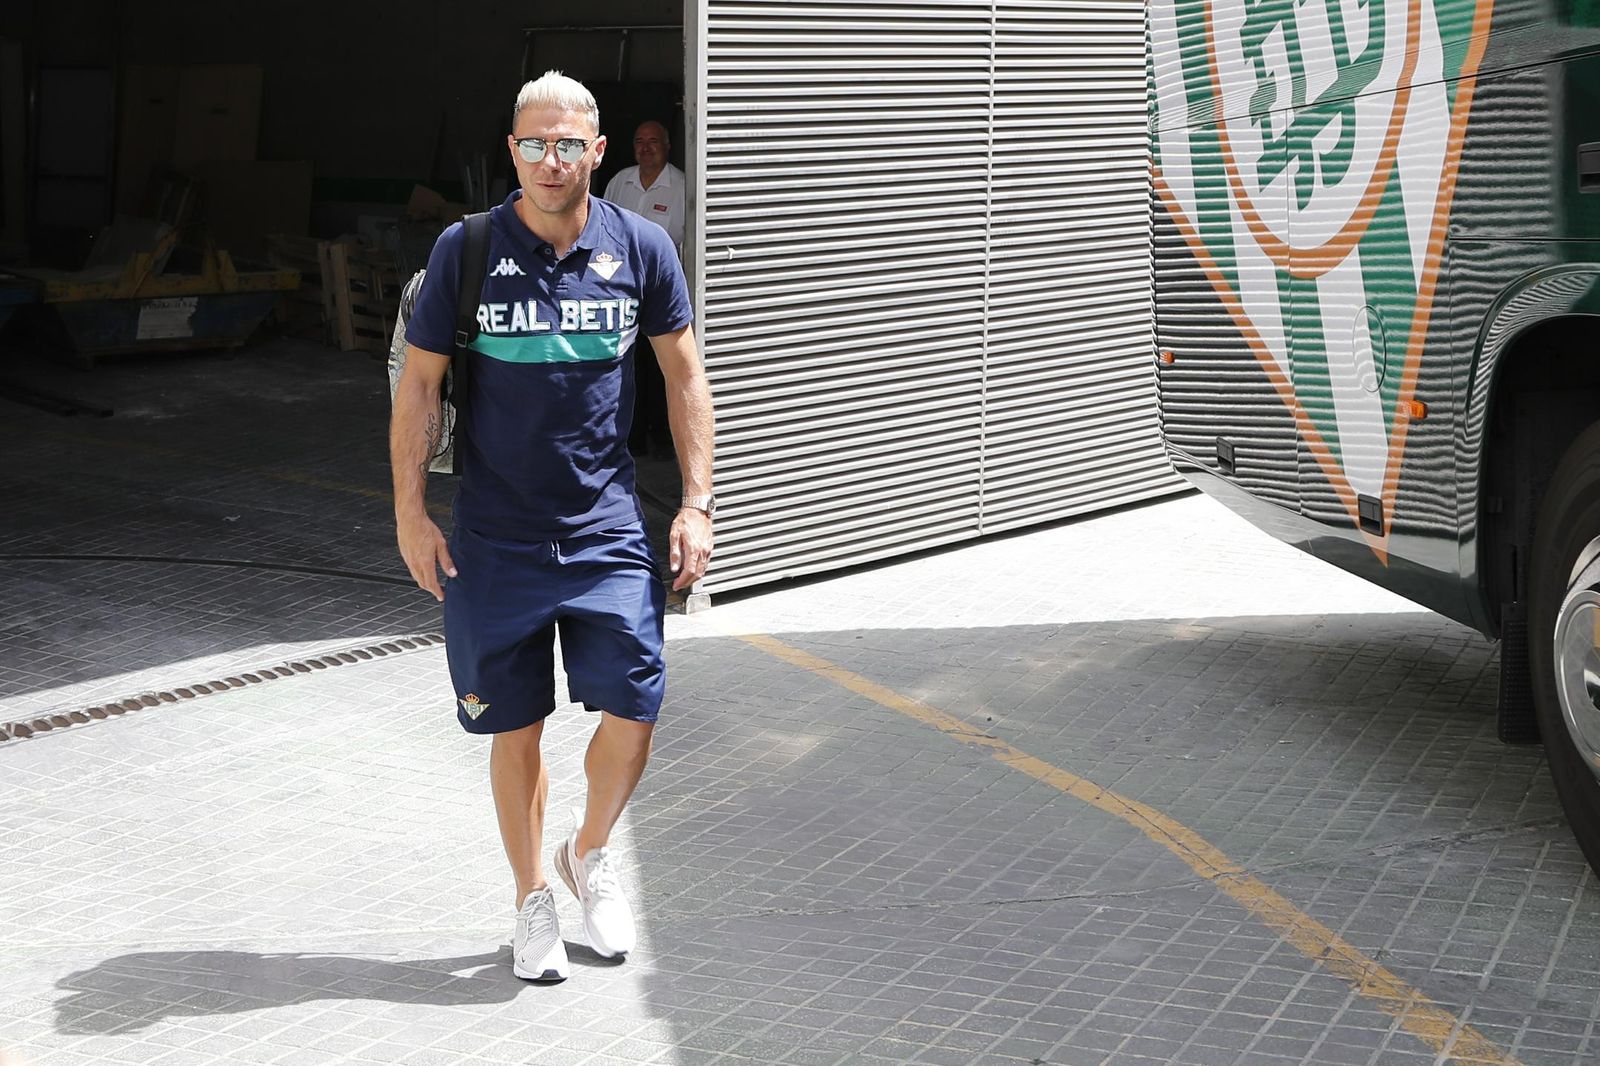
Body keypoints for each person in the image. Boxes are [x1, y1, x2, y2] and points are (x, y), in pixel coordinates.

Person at [389, 71, 715, 984]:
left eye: (567, 143)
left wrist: (695, 502)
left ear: (597, 152)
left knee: (636, 705)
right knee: (516, 725)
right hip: (495, 538)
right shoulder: (467, 249)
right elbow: (418, 388)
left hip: (607, 528)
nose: (549, 159)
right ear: (513, 150)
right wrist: (412, 516)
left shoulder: (643, 247)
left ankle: (589, 851)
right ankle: (533, 896)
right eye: (533, 143)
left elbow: (684, 378)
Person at [603, 121, 685, 458]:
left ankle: (663, 439)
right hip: (618, 291)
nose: (646, 148)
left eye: (653, 141)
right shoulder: (619, 182)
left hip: (660, 293)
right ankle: (630, 438)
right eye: (639, 141)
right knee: (625, 364)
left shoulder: (682, 185)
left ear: (667, 146)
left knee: (661, 367)